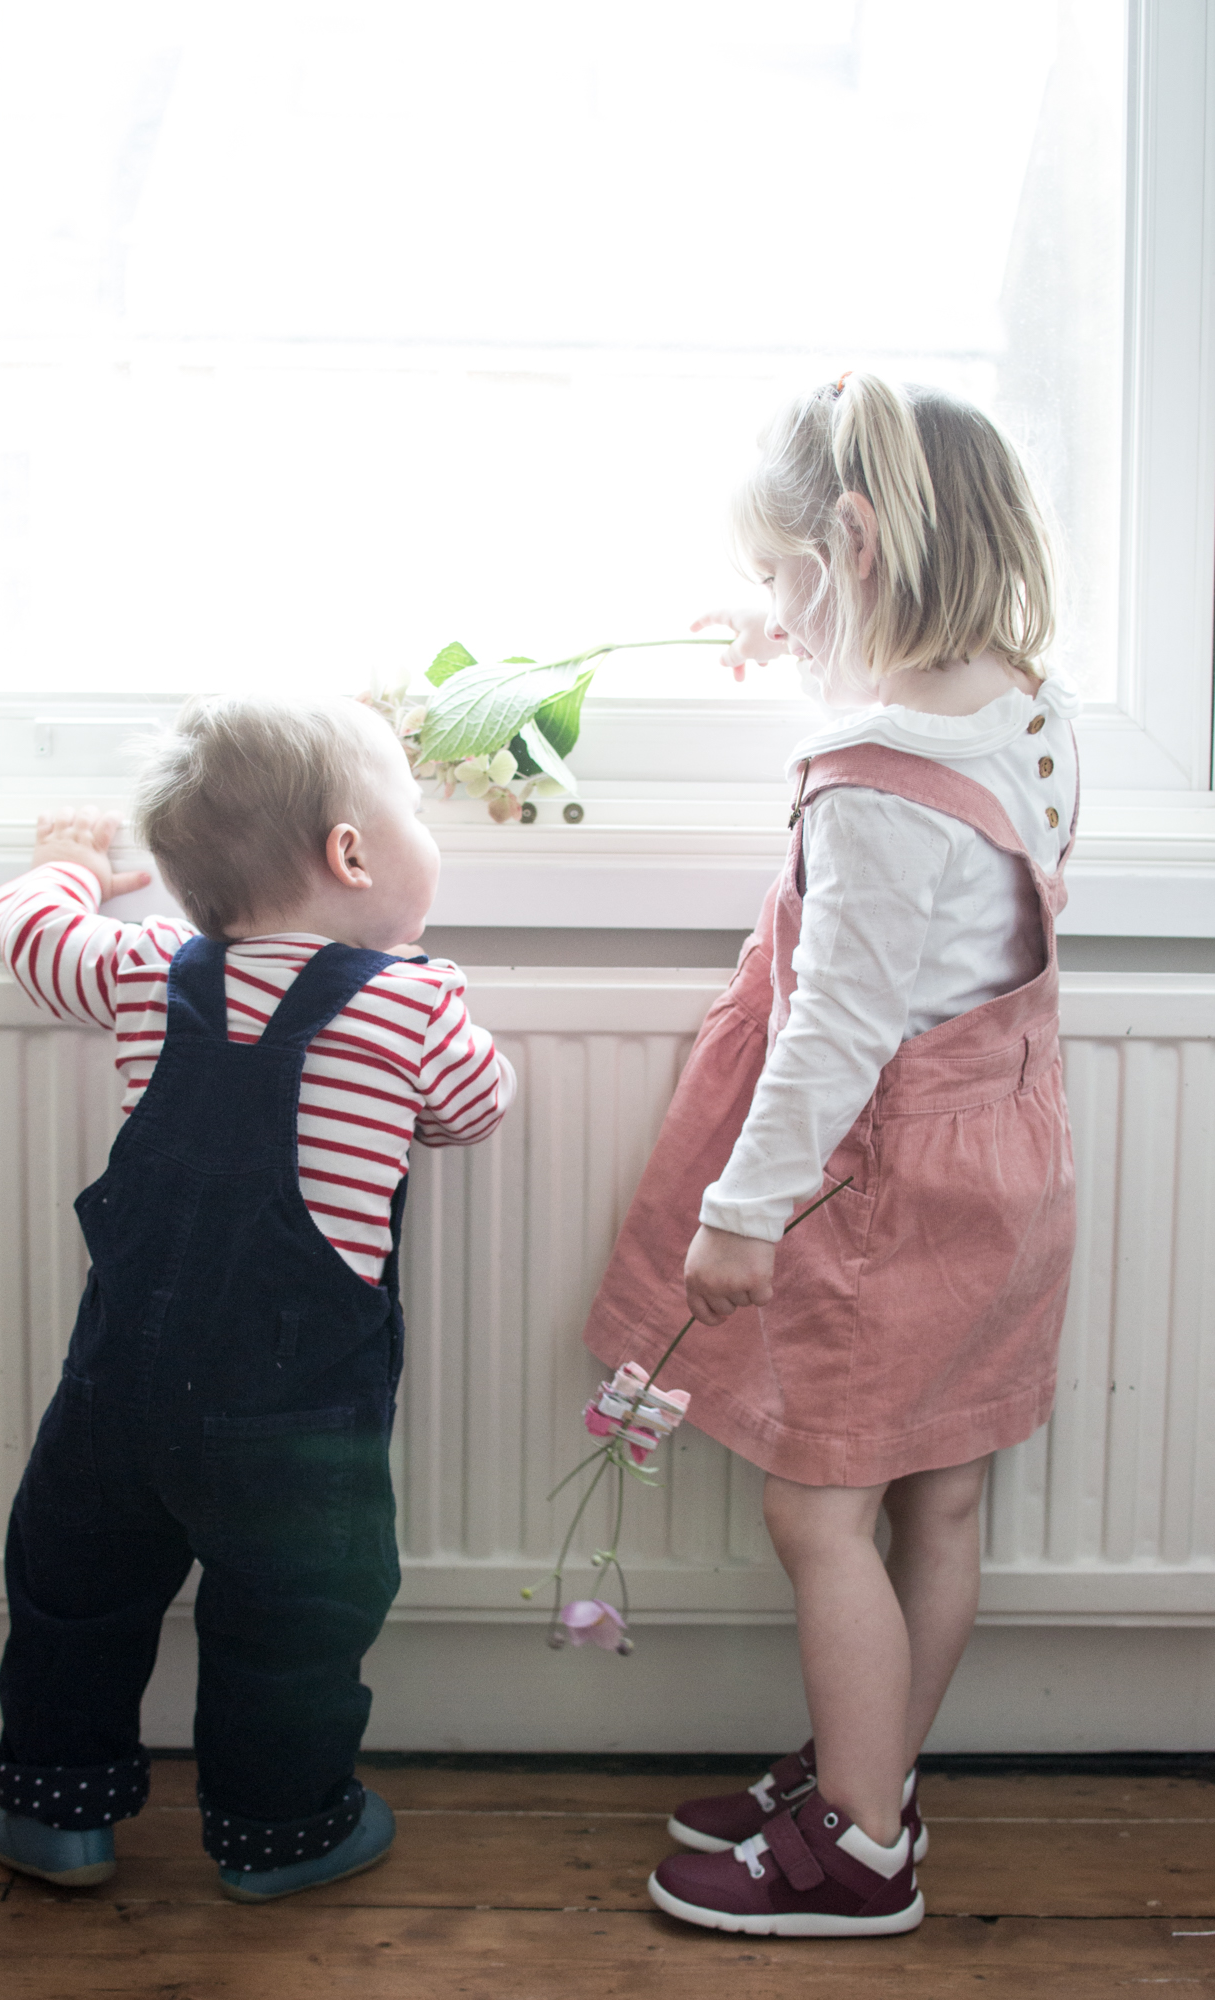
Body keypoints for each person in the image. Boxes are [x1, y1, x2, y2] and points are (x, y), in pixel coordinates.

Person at [584, 373, 1078, 1937]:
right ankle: (876, 1777)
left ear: (850, 544)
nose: (775, 618)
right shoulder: (1022, 706)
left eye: (778, 583)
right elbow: (945, 921)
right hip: (1000, 1162)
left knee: (814, 1514)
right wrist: (803, 650)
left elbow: (835, 1026)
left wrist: (739, 1214)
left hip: (878, 1192)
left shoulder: (869, 779)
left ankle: (856, 1850)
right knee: (937, 1503)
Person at [0, 695, 514, 1900]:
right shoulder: (409, 1001)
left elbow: (31, 936)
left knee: (73, 1595)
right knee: (294, 1625)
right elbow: (475, 1109)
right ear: (351, 855)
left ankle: (52, 1815)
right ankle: (280, 1831)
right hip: (294, 1425)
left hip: (116, 1393)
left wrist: (61, 868)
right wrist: (429, 1010)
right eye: (417, 814)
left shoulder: (139, 964)